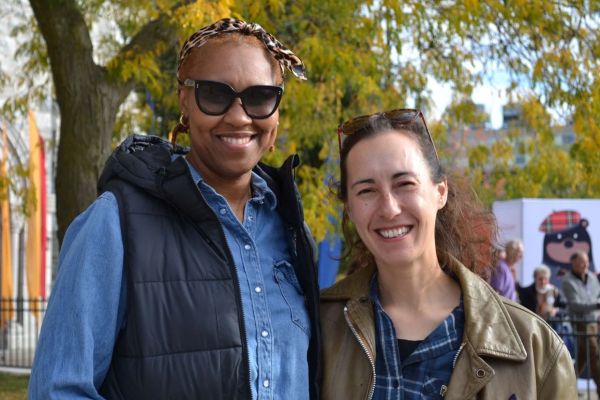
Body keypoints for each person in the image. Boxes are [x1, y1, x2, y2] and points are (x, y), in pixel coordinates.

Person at [29, 18, 321, 399]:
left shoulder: (292, 232)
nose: (238, 116)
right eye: (215, 95)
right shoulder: (115, 222)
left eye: (260, 97)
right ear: (184, 99)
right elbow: (59, 390)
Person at [320, 108, 576, 399]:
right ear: (349, 209)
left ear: (440, 191)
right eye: (367, 191)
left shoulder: (535, 349)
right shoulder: (318, 330)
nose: (389, 208)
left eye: (404, 184)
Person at [562, 250, 600, 395]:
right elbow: (575, 305)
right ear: (573, 263)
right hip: (580, 322)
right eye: (580, 262)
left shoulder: (592, 278)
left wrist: (596, 310)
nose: (584, 265)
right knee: (595, 353)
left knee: (583, 358)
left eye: (586, 262)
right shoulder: (567, 280)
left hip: (593, 322)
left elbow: (596, 297)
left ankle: (565, 385)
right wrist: (596, 306)